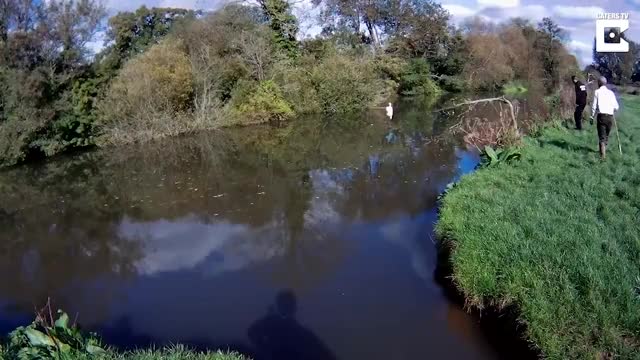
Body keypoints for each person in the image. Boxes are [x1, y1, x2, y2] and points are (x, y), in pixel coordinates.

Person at [591, 76, 619, 159]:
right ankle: (603, 151)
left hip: (601, 116)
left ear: (599, 83)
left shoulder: (597, 92)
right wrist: (612, 110)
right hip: (610, 117)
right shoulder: (611, 93)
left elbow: (594, 106)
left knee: (602, 137)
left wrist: (592, 116)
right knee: (606, 136)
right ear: (605, 83)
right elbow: (616, 107)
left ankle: (602, 157)